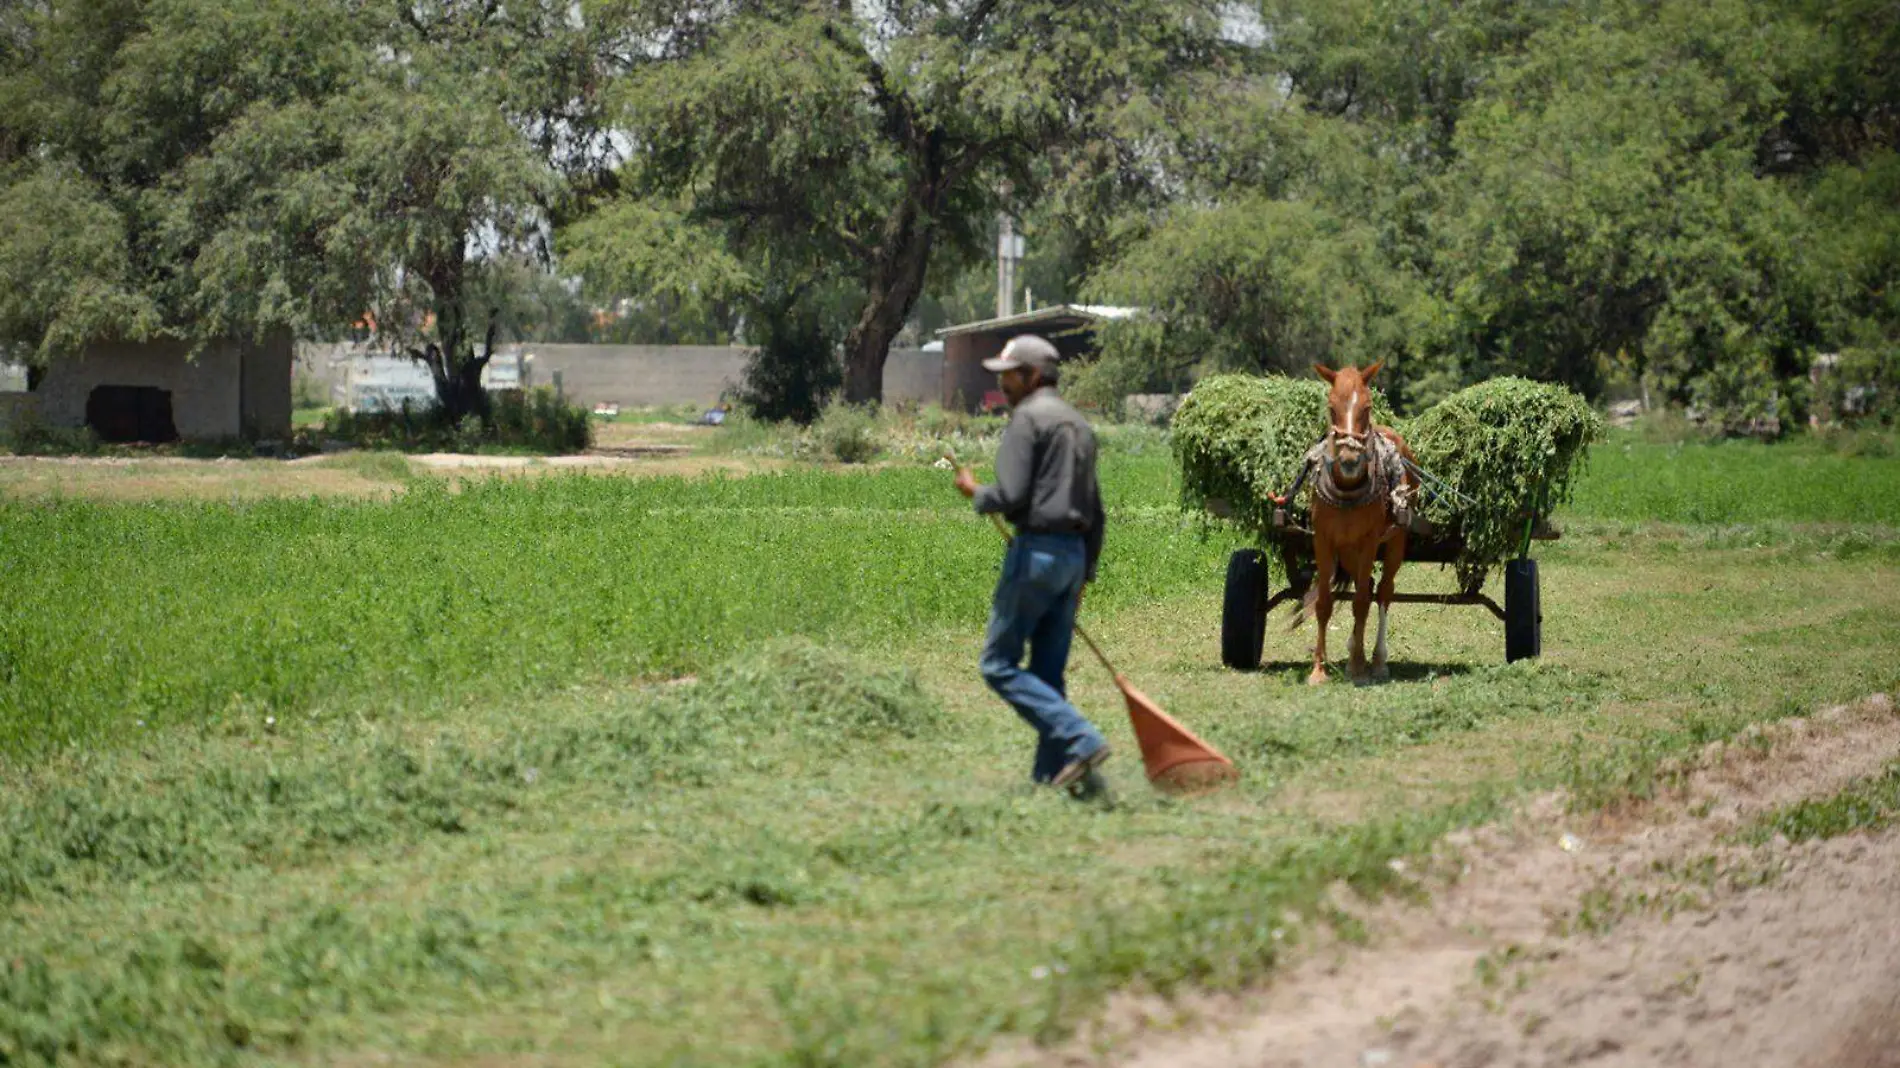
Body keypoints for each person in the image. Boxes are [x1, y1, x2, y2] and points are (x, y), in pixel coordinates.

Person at [953, 334, 1111, 792]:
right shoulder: (1078, 425)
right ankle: (1050, 777)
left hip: (1037, 553)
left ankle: (1081, 738)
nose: (1003, 385)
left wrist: (976, 493)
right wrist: (1086, 572)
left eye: (1009, 375)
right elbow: (1096, 509)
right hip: (1072, 557)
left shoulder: (1027, 419)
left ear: (1033, 376)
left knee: (997, 665)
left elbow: (1012, 494)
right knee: (1046, 672)